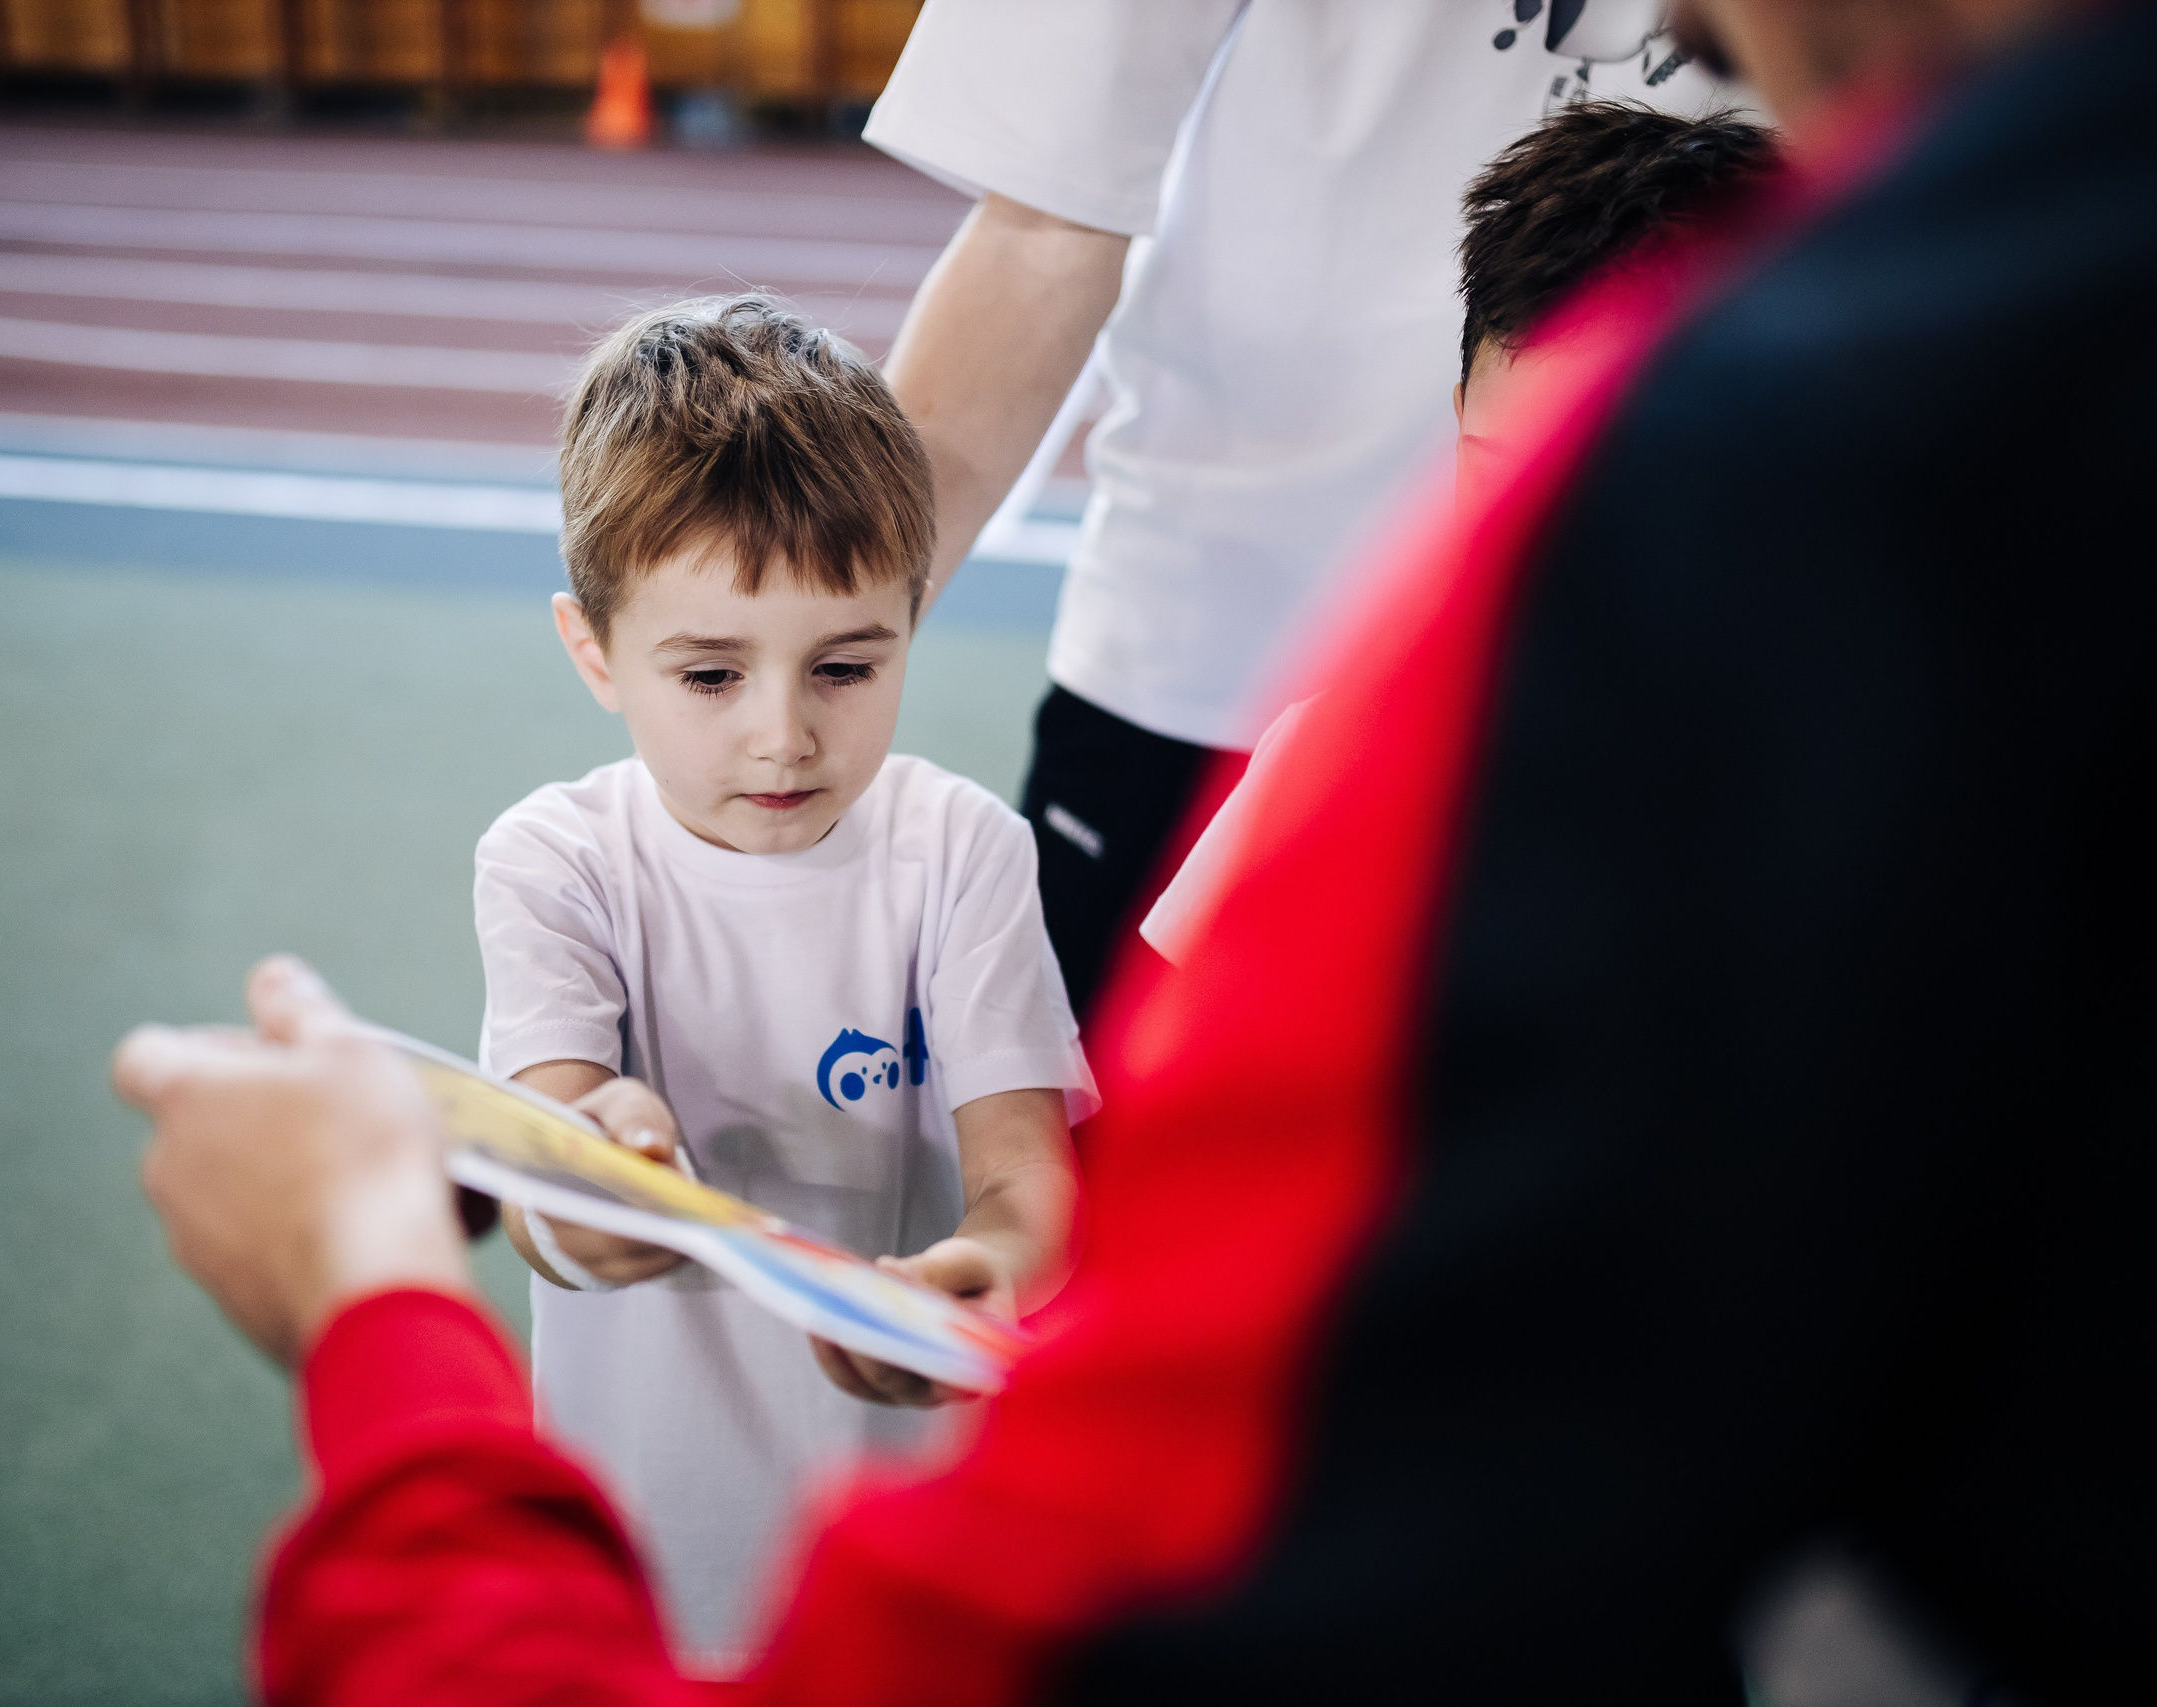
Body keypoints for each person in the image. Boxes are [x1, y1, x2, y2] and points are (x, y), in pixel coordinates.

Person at [115, 0, 2156, 1699]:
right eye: (712, 665)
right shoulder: (1819, 500)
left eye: (846, 656)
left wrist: (376, 1307)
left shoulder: (1713, 553)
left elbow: (1093, 1556)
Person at [866, 0, 1724, 1017]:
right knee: (1081, 1138)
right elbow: (1041, 222)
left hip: (1700, 707)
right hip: (1212, 648)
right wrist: (818, 652)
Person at [472, 296, 1093, 1667]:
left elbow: (1026, 1179)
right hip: (646, 1515)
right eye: (708, 671)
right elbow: (546, 1190)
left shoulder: (962, 846)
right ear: (595, 651)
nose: (783, 733)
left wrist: (982, 1272)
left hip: (913, 1511)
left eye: (847, 664)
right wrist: (600, 1177)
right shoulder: (553, 861)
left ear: (911, 623)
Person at [1145, 99, 1783, 966]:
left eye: (1619, 488)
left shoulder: (1887, 785)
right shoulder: (1342, 752)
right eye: (1500, 473)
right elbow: (1195, 1072)